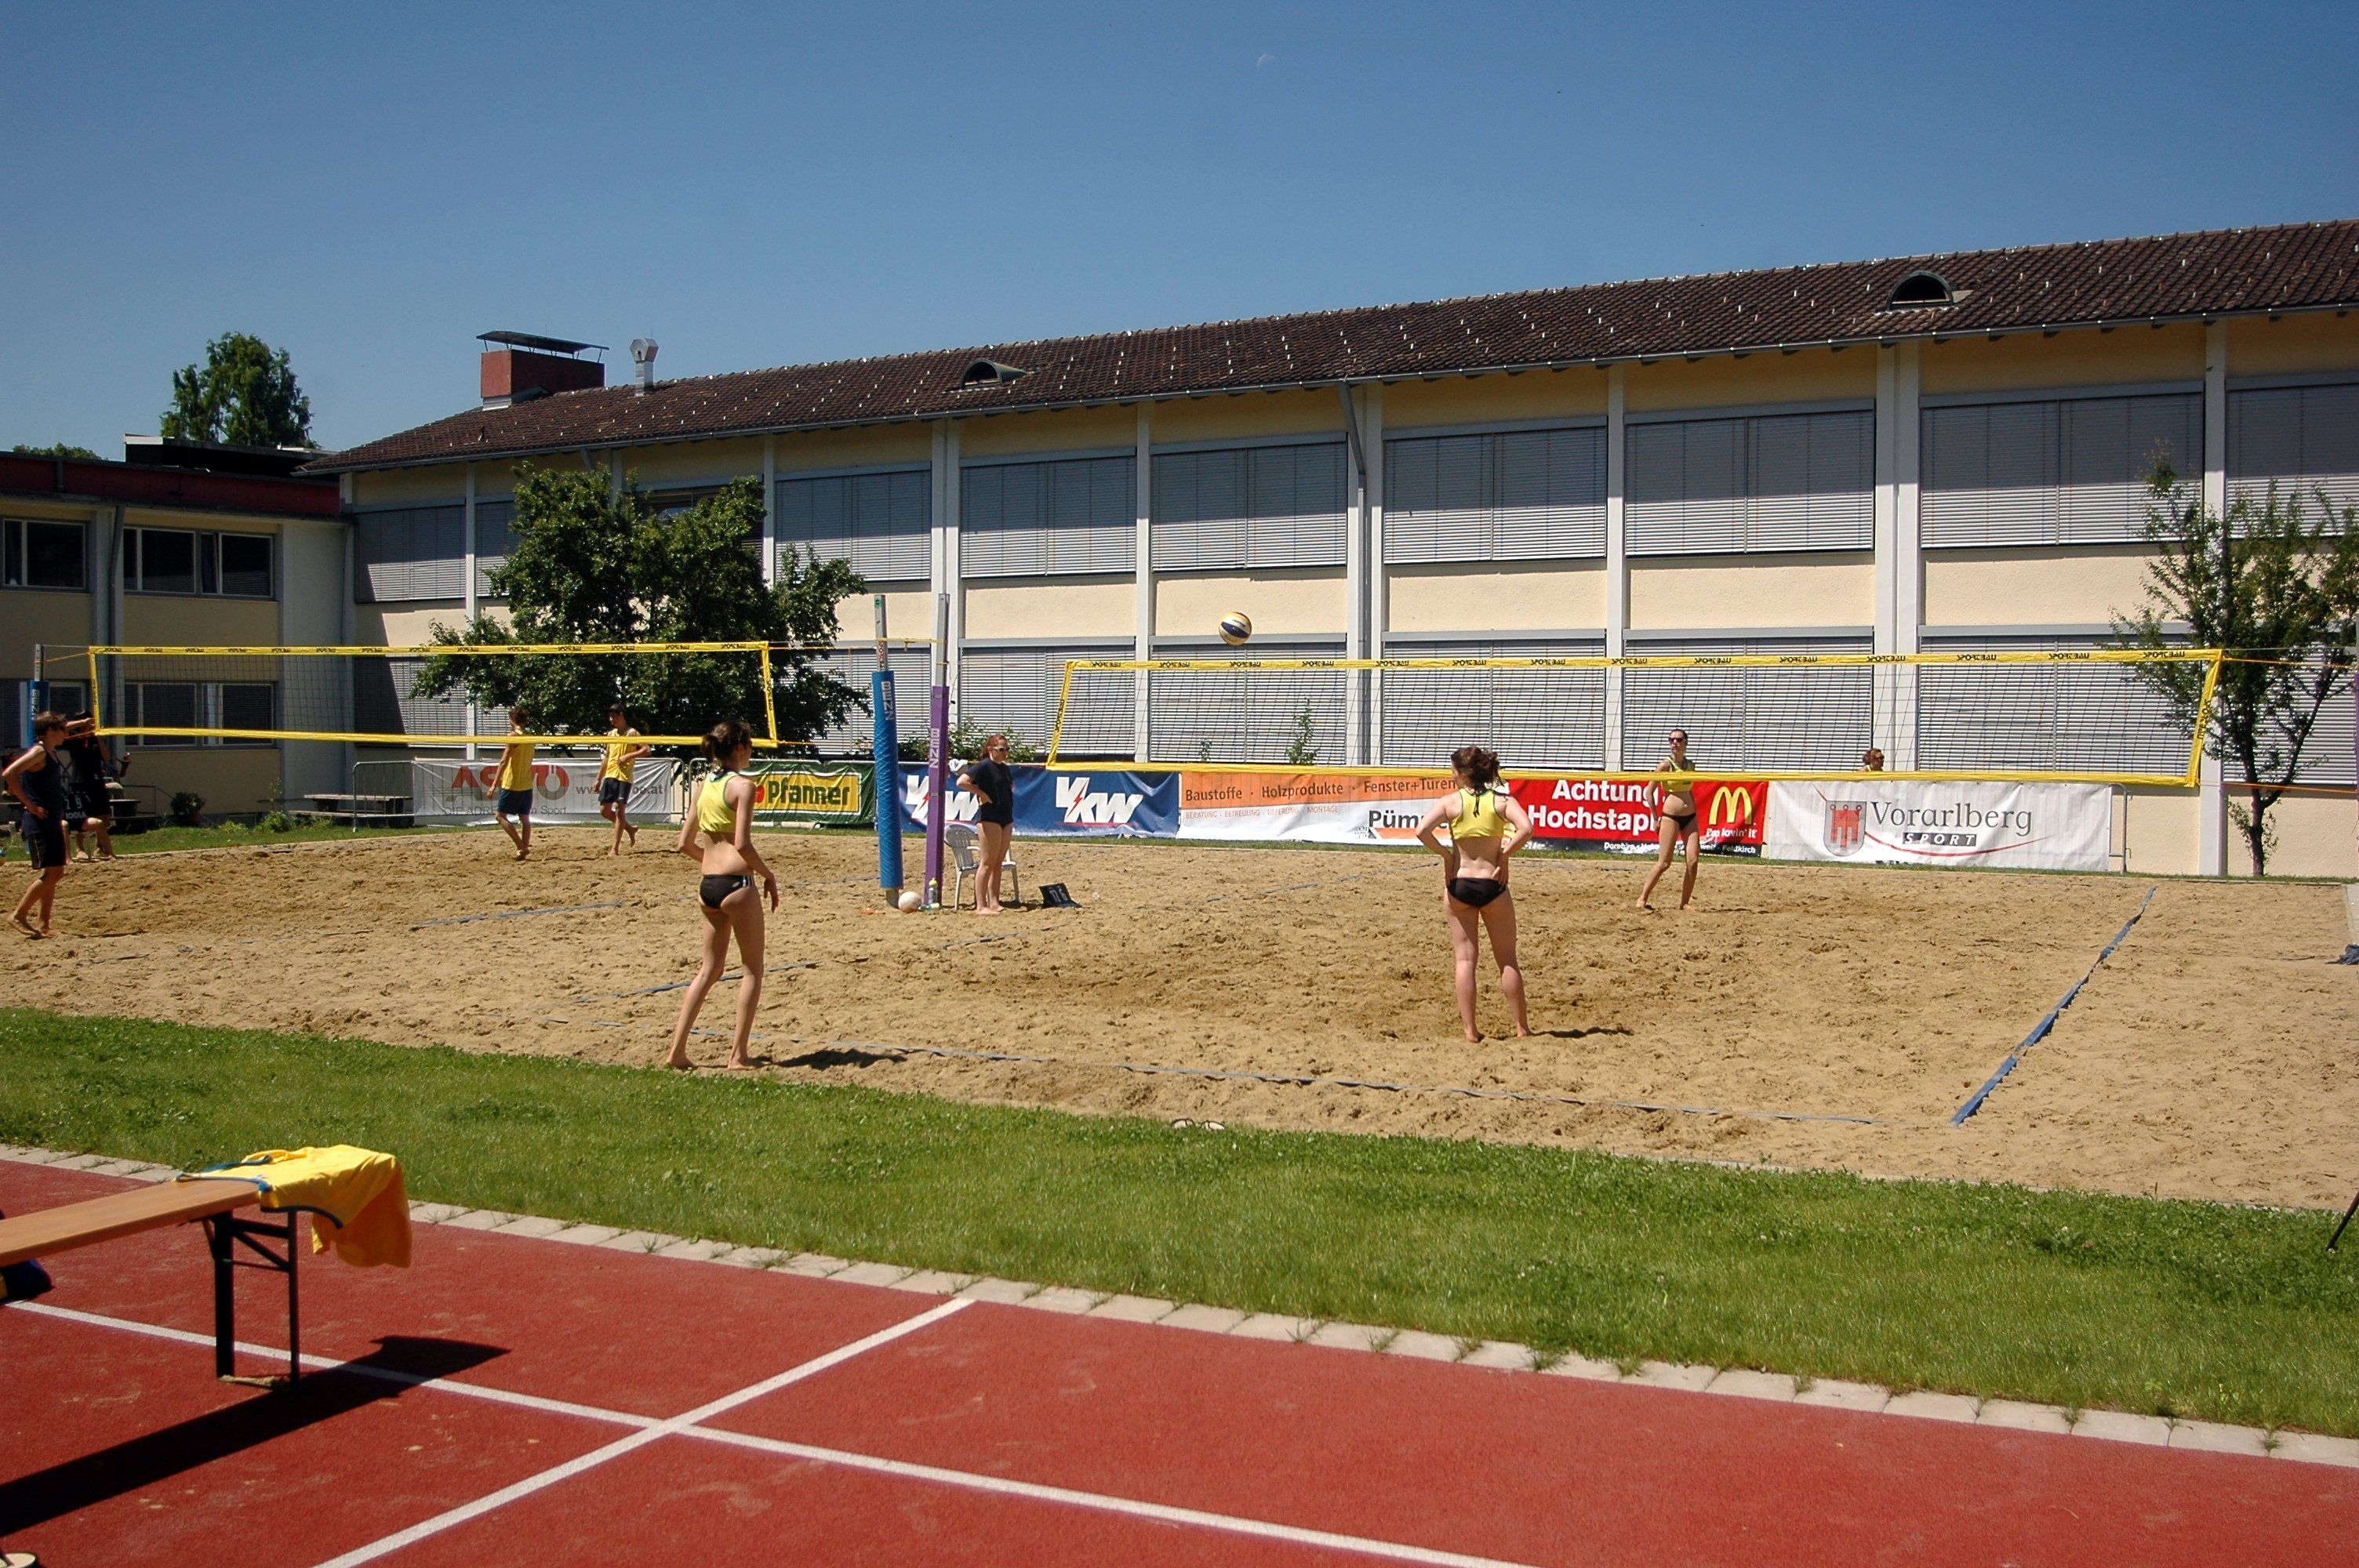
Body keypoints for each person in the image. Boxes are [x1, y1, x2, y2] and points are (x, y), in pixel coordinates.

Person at [670, 719, 779, 1070]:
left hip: (708, 887)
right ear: (740, 748)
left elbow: (684, 844)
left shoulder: (704, 784)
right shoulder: (743, 786)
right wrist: (768, 875)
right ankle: (738, 1056)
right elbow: (743, 844)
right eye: (750, 746)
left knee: (708, 971)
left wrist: (713, 863)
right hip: (737, 886)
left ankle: (677, 1052)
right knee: (753, 971)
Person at [1414, 746, 1535, 1043]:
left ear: (1464, 774)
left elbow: (1421, 831)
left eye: (1454, 771)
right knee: (1507, 959)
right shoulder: (1502, 801)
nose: (1452, 776)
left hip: (1461, 884)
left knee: (1465, 960)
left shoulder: (1451, 802)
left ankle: (1470, 1030)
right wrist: (1504, 855)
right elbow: (1527, 828)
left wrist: (1446, 856)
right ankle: (1521, 1028)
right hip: (1493, 884)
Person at [5, 713, 74, 938]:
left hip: (51, 820)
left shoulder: (50, 751)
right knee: (54, 872)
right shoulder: (39, 752)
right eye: (62, 729)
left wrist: (84, 723)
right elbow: (10, 774)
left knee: (54, 871)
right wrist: (30, 805)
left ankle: (44, 923)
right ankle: (18, 915)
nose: (66, 734)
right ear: (51, 731)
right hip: (39, 821)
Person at [1637, 728, 1702, 912]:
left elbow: (1689, 791)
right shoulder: (1665, 765)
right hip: (1670, 817)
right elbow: (1649, 792)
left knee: (1693, 861)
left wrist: (1695, 815)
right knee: (1664, 863)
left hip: (1690, 817)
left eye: (1679, 739)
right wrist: (1655, 818)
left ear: (1686, 743)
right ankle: (1642, 898)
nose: (1675, 743)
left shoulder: (1691, 766)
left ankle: (1684, 903)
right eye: (1671, 740)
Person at [956, 733, 1016, 913]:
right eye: (1001, 749)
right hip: (990, 817)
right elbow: (962, 782)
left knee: (998, 862)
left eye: (1007, 749)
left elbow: (1008, 787)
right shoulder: (984, 766)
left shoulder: (1004, 768)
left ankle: (994, 902)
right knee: (987, 862)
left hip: (1006, 816)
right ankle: (981, 906)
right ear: (991, 749)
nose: (1005, 752)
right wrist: (981, 793)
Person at [60, 715, 118, 862]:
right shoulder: (73, 737)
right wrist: (81, 723)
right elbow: (61, 728)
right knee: (80, 816)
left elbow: (106, 757)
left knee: (103, 815)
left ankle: (100, 847)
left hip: (96, 781)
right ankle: (80, 849)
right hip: (79, 781)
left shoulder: (95, 739)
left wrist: (98, 736)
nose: (89, 725)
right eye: (87, 722)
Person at [598, 704, 653, 856]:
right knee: (604, 811)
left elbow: (647, 750)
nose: (611, 719)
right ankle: (629, 828)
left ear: (621, 715)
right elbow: (607, 757)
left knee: (619, 810)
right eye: (609, 716)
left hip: (624, 777)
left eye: (613, 716)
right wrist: (598, 779)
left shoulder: (632, 733)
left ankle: (615, 849)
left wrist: (629, 756)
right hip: (610, 775)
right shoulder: (611, 735)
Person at [493, 707, 536, 861]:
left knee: (500, 816)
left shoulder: (513, 736)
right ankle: (523, 849)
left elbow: (504, 761)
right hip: (526, 783)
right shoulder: (530, 737)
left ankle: (521, 846)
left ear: (512, 720)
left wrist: (494, 784)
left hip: (512, 783)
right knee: (525, 818)